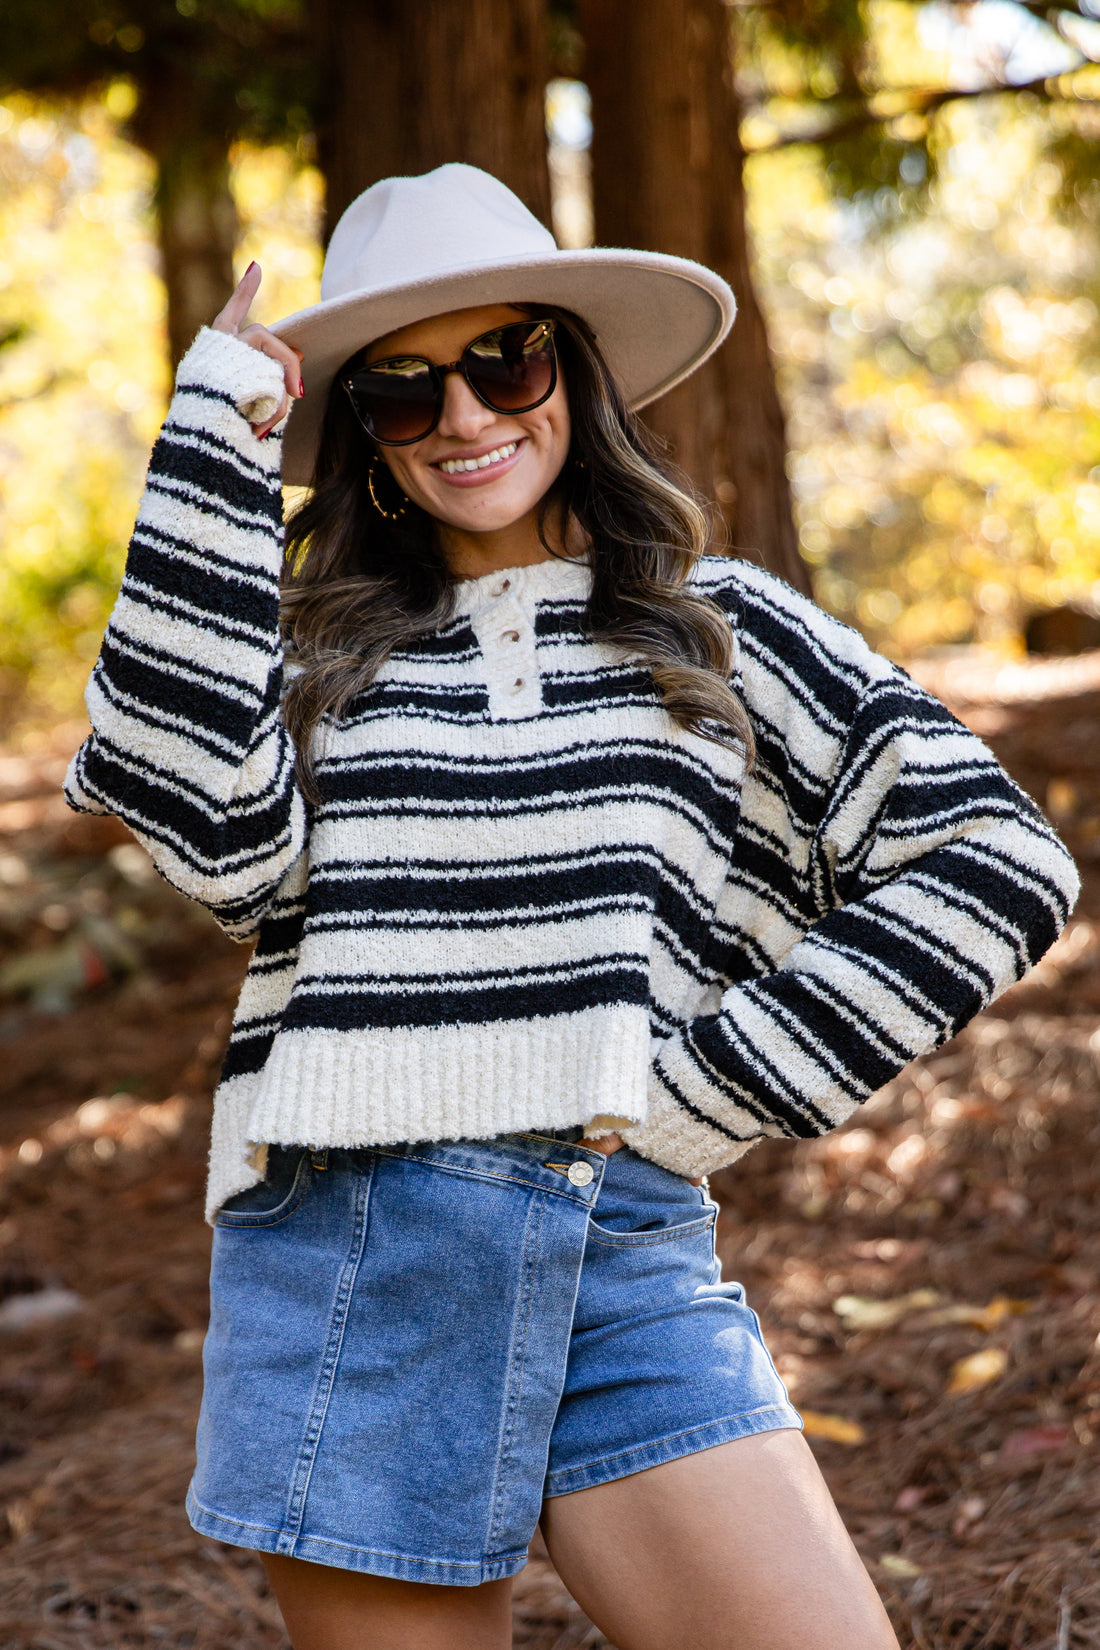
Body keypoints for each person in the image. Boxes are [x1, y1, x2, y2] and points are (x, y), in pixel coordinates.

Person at [65, 164, 1077, 1650]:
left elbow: (996, 858)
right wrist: (213, 420)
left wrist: (704, 1092)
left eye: (504, 359)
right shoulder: (313, 664)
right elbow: (206, 834)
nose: (466, 418)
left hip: (624, 1244)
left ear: (570, 370)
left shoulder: (718, 628)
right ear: (363, 439)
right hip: (352, 1254)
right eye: (404, 393)